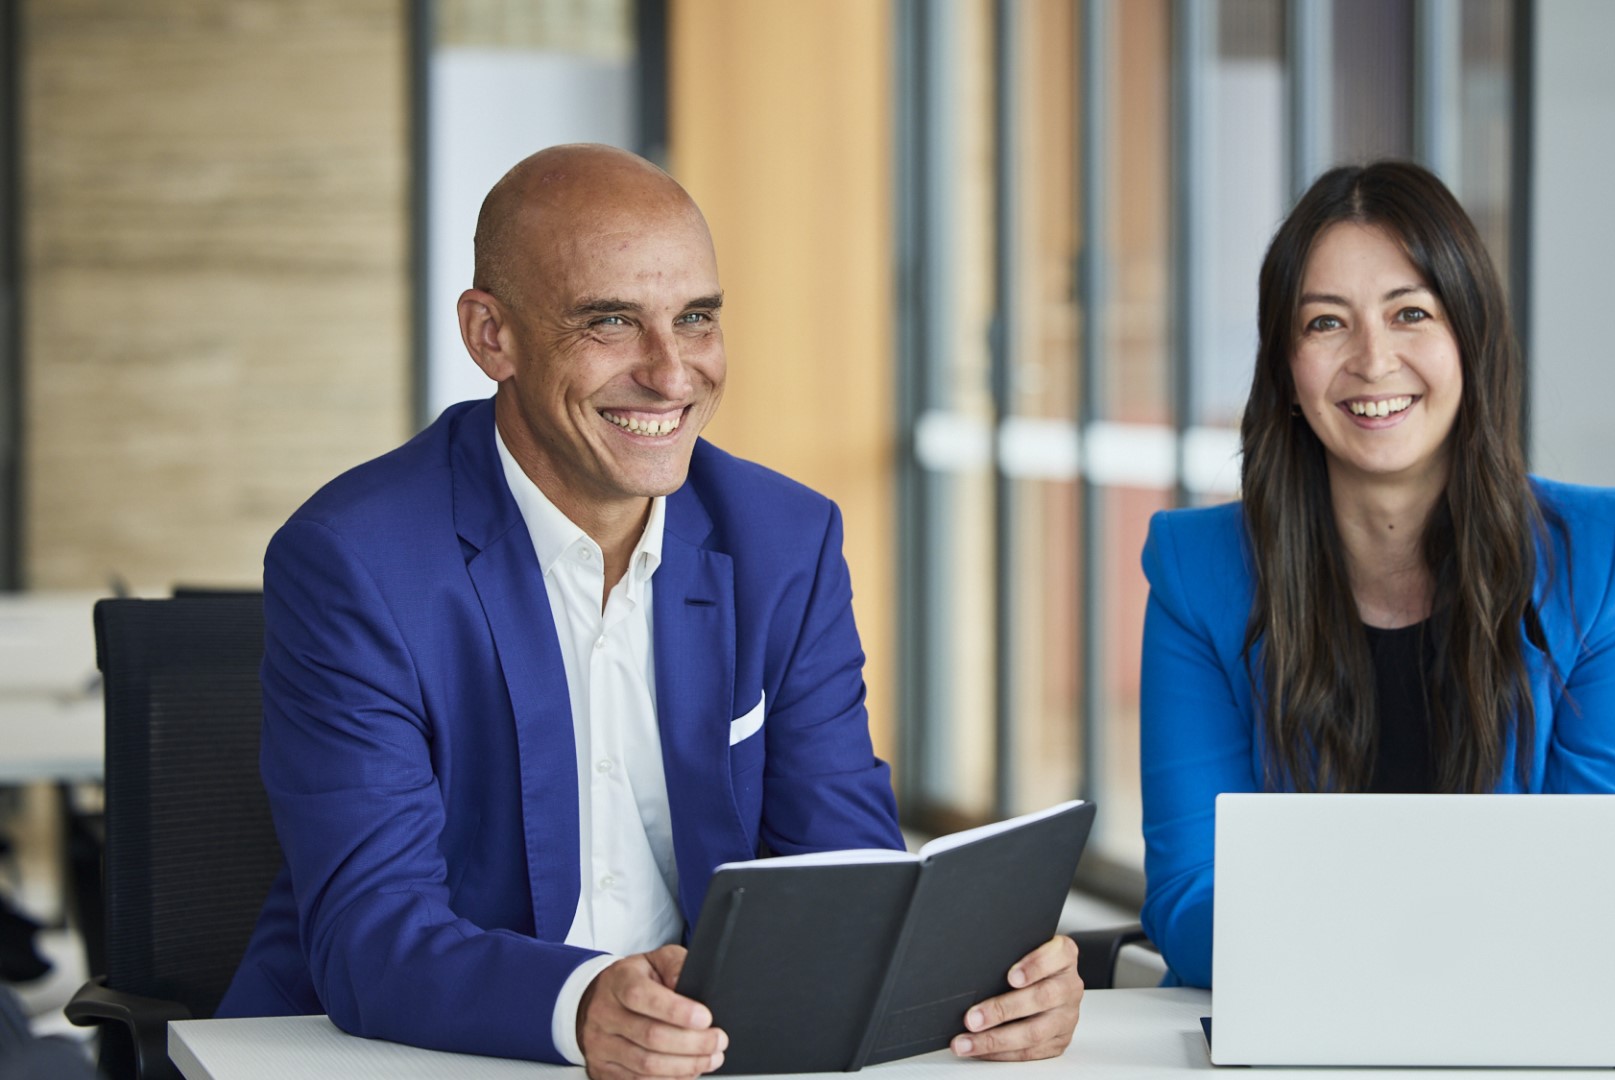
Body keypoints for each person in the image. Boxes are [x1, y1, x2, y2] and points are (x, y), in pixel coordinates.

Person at [218, 144, 1082, 1076]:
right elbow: (370, 934)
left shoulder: (783, 543)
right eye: (611, 323)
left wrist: (992, 982)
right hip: (425, 1053)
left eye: (697, 318)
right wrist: (580, 1004)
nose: (672, 375)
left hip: (708, 1055)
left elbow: (844, 875)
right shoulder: (358, 559)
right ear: (490, 336)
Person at [1137, 161, 1615, 1005]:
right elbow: (1190, 898)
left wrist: (1339, 932)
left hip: (1581, 1024)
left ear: (1468, 341)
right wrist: (1407, 958)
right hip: (1317, 1035)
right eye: (1326, 323)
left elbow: (1601, 900)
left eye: (1411, 313)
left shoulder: (1603, 558)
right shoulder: (1198, 576)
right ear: (1288, 372)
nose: (1374, 360)